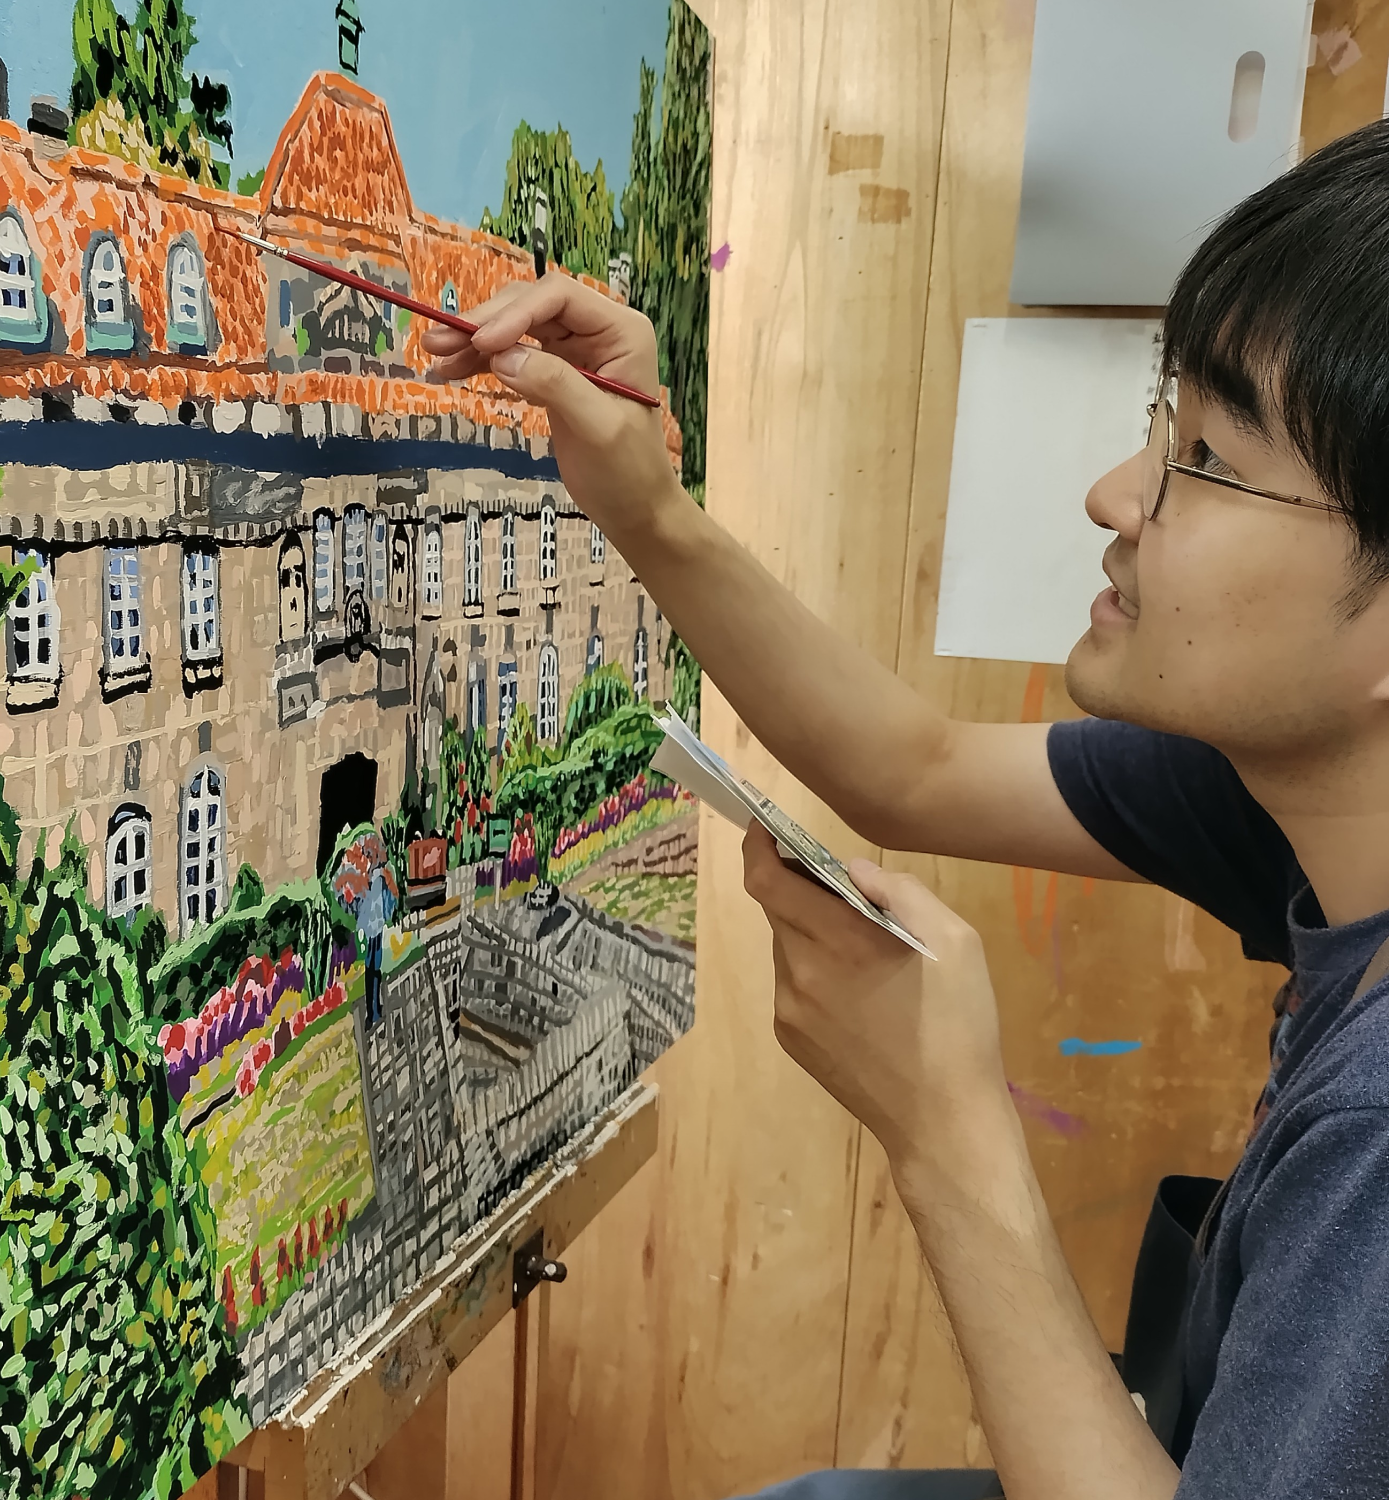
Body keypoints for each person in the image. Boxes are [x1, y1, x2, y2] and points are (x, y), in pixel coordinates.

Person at [423, 119, 1389, 1500]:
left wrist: (945, 1130)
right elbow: (913, 771)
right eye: (1158, 426)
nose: (1115, 495)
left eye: (1207, 458)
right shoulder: (1295, 804)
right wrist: (650, 510)